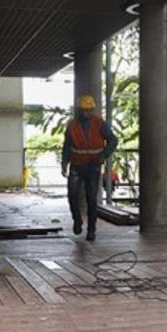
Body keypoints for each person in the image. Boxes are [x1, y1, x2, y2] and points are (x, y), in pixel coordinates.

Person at [61, 95, 118, 242]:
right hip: (76, 165)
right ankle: (77, 220)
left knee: (91, 198)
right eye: (85, 110)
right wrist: (64, 163)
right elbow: (67, 146)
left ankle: (91, 230)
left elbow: (113, 139)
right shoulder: (72, 125)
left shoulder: (100, 124)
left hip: (93, 166)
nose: (87, 113)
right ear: (79, 110)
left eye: (90, 110)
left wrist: (104, 154)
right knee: (72, 195)